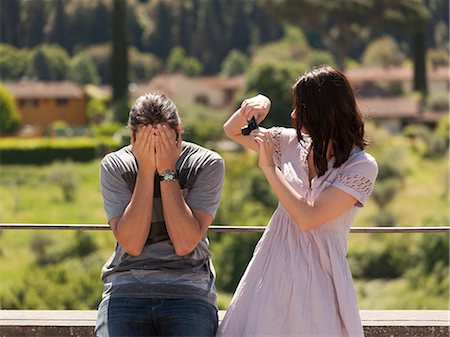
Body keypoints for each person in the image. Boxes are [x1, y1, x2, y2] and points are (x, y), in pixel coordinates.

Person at [216, 66, 378, 337]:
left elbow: (308, 218)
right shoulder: (290, 143)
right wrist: (259, 103)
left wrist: (269, 167)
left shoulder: (361, 166)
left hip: (320, 282)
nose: (293, 115)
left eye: (299, 107)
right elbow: (232, 131)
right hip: (271, 270)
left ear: (322, 111)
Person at [95, 92, 224, 337]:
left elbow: (185, 243)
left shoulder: (207, 164)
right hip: (126, 287)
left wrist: (167, 170)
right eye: (147, 142)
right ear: (132, 137)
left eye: (163, 140)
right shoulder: (115, 166)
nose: (156, 149)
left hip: (189, 288)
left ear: (180, 132)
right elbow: (132, 244)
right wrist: (145, 169)